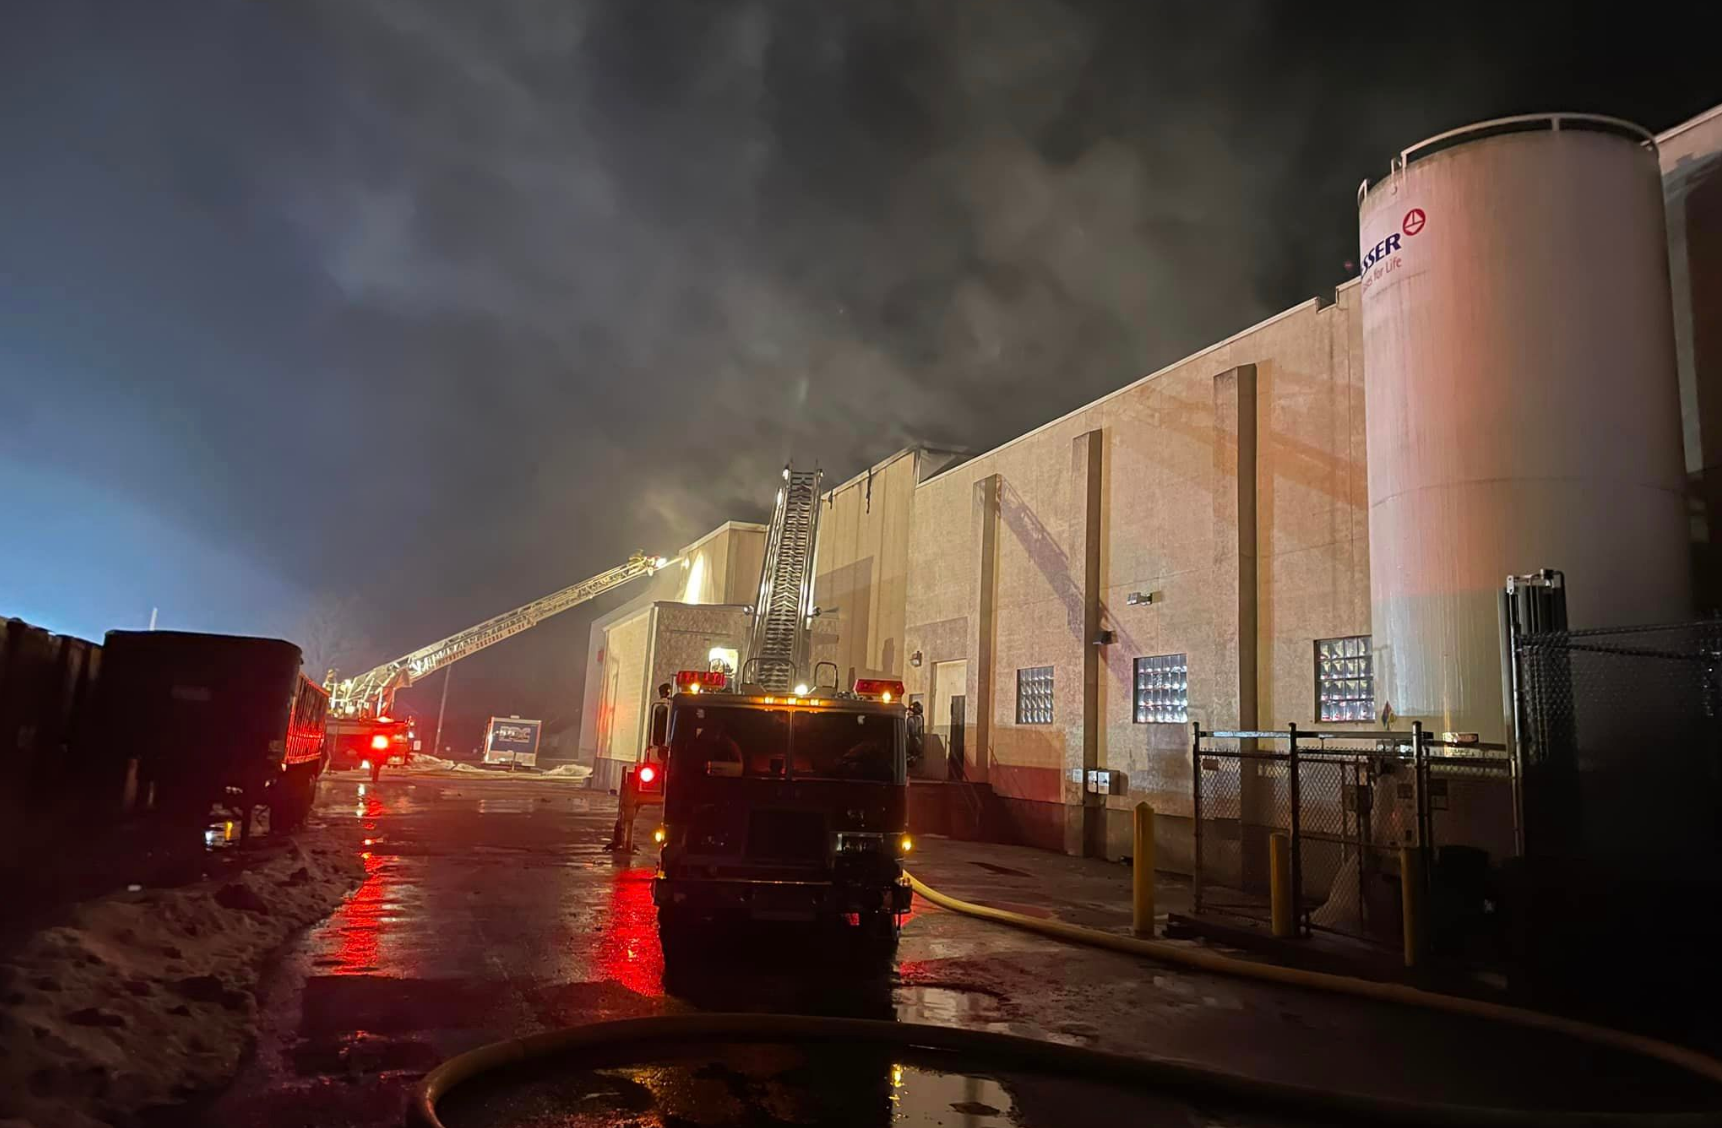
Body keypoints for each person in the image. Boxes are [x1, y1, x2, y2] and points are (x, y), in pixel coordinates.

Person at [905, 701, 925, 769]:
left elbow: (913, 732)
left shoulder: (913, 719)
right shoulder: (919, 718)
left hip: (912, 745)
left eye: (910, 711)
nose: (908, 713)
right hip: (914, 745)